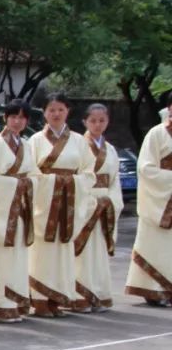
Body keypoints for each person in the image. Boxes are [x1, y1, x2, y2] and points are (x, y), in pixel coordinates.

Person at [28, 92, 95, 317]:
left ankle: (57, 297)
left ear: (68, 111)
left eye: (60, 109)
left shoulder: (79, 141)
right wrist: (54, 182)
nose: (56, 114)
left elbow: (88, 172)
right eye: (51, 110)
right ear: (44, 113)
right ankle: (39, 299)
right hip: (44, 204)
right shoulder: (35, 141)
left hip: (69, 202)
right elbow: (31, 172)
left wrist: (70, 182)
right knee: (41, 251)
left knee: (63, 250)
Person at [0, 99, 37, 323]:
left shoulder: (26, 145)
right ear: (5, 118)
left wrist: (26, 185)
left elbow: (33, 176)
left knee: (19, 255)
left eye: (22, 117)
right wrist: (17, 185)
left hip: (19, 207)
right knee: (1, 254)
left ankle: (16, 300)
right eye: (13, 116)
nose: (17, 121)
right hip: (1, 210)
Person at [73, 104, 122, 312]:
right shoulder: (77, 145)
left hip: (105, 204)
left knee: (99, 252)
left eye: (102, 120)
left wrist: (111, 201)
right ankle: (80, 295)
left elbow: (114, 181)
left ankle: (100, 293)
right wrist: (91, 201)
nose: (97, 124)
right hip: (87, 201)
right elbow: (78, 175)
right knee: (83, 252)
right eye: (93, 120)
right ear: (85, 122)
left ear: (108, 121)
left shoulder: (110, 149)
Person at [125, 91, 172, 307]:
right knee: (156, 246)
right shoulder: (156, 134)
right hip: (160, 202)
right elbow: (145, 168)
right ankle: (154, 290)